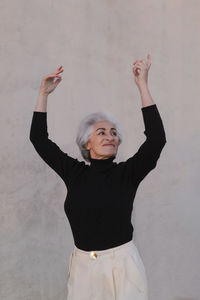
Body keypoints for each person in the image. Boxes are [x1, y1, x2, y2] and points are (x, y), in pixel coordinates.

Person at [29, 54, 166, 300]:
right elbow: (39, 140)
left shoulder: (127, 174)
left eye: (113, 133)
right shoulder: (74, 173)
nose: (109, 136)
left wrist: (142, 85)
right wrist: (43, 94)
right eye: (101, 132)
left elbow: (156, 140)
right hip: (83, 266)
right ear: (87, 143)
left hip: (123, 266)